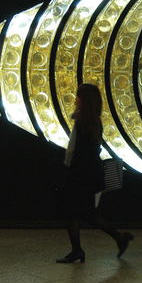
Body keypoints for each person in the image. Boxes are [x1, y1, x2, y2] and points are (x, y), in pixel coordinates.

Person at [56, 83, 133, 263]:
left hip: (79, 174)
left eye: (78, 96)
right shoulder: (93, 121)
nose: (76, 99)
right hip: (89, 173)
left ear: (83, 99)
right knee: (84, 213)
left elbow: (73, 149)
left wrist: (67, 167)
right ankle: (116, 239)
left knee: (75, 212)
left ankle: (79, 250)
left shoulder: (82, 121)